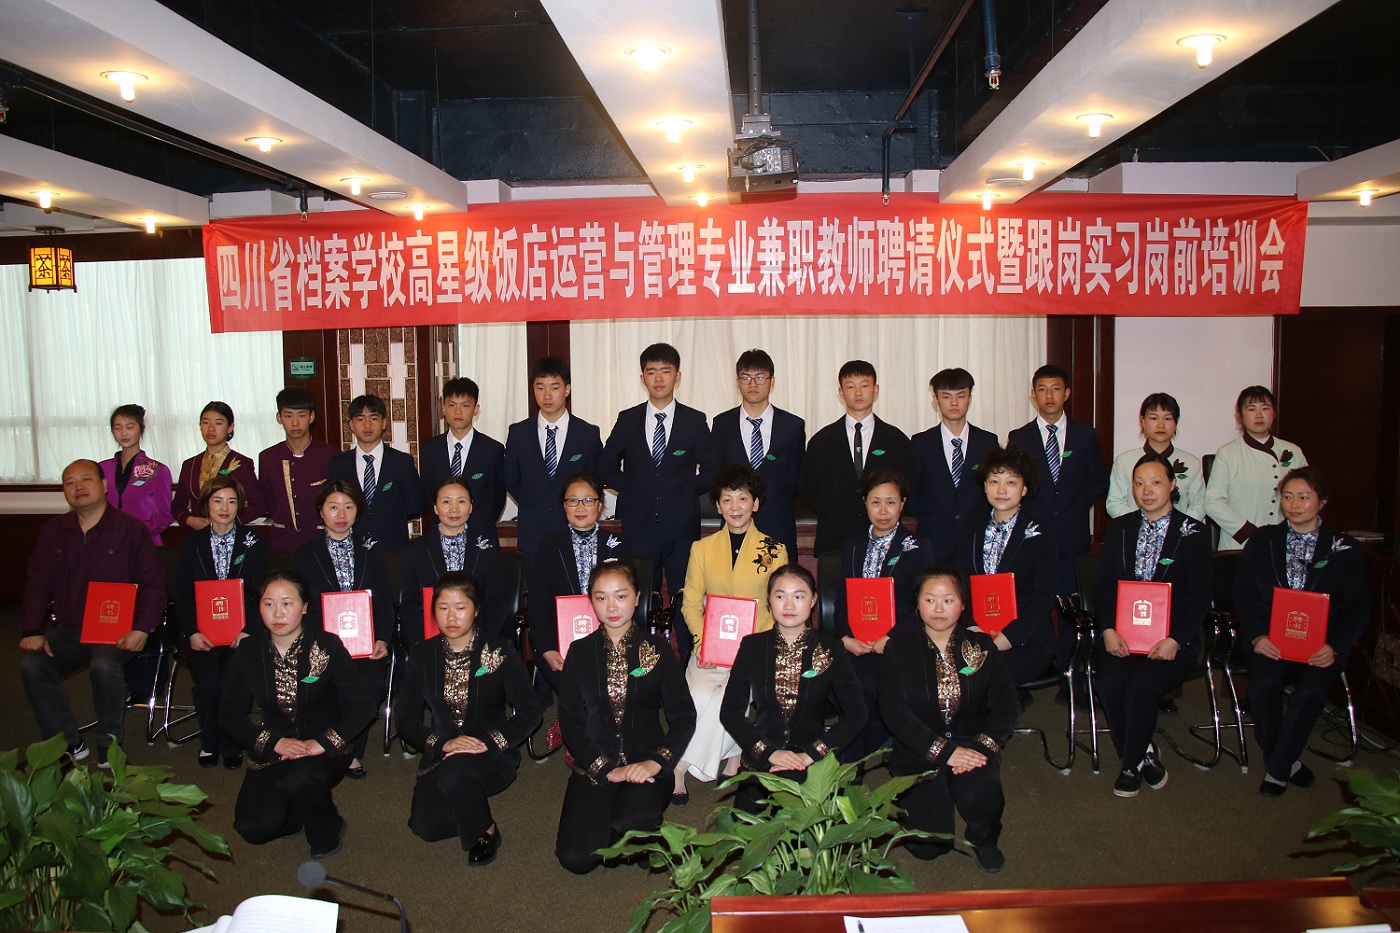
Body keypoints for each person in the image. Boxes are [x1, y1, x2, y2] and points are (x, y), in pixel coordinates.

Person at [219, 569, 374, 859]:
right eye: (268, 604)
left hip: (323, 746)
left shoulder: (327, 645)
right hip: (275, 746)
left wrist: (324, 743)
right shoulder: (249, 651)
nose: (277, 613)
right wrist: (274, 743)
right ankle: (301, 807)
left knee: (301, 779)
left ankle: (328, 827)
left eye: (287, 603)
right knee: (253, 828)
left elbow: (364, 705)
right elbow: (228, 715)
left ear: (304, 607)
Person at [20, 460, 166, 765]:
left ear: (104, 485)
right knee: (33, 665)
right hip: (71, 629)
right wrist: (32, 629)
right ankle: (66, 743)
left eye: (86, 479)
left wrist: (142, 628)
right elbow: (36, 583)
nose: (79, 487)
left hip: (118, 628)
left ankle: (108, 747)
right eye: (70, 482)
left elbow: (153, 584)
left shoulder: (130, 529)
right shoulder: (53, 532)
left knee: (103, 666)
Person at [555, 560, 696, 875]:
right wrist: (606, 770)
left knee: (630, 820)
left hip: (645, 762)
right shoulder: (579, 653)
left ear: (637, 598)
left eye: (621, 596)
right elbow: (571, 724)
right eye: (601, 598)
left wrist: (656, 762)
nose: (611, 607)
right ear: (591, 601)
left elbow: (684, 717)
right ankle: (626, 831)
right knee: (575, 859)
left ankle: (637, 826)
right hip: (595, 765)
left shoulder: (657, 650)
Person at [1235, 467, 1368, 796]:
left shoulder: (1345, 548)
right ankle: (1286, 761)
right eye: (1288, 497)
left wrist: (1335, 647)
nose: (1294, 505)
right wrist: (1257, 637)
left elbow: (1357, 608)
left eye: (1304, 497)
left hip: (1320, 646)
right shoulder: (1264, 540)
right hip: (1270, 640)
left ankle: (1277, 767)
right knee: (1263, 686)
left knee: (1310, 693)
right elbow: (1243, 595)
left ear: (1322, 502)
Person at [394, 571, 542, 865]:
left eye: (460, 607)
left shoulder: (499, 651)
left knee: (455, 774)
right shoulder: (423, 655)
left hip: (491, 754)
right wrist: (442, 744)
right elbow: (405, 718)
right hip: (442, 753)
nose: (451, 616)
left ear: (476, 610)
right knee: (425, 827)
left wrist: (489, 742)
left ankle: (486, 830)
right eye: (443, 607)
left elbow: (531, 710)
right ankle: (467, 804)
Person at [878, 566, 1018, 873]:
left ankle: (983, 838)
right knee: (928, 847)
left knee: (982, 793)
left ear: (963, 604)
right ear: (917, 604)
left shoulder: (982, 646)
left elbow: (1007, 705)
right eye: (930, 600)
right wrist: (944, 752)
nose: (938, 609)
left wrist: (982, 748)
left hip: (971, 745)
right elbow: (893, 712)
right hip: (918, 750)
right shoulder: (897, 649)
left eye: (948, 600)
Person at [1092, 452, 1212, 798]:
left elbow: (1200, 596)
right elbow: (1105, 586)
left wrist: (1176, 639)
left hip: (1172, 640)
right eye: (1139, 483)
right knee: (1110, 681)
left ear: (1172, 485)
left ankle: (1130, 765)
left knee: (1141, 686)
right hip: (1124, 635)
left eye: (1156, 482)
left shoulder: (1193, 533)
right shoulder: (1120, 528)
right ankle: (1144, 753)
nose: (1147, 491)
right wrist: (1108, 629)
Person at [674, 465, 788, 802]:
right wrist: (702, 642)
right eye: (727, 499)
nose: (735, 506)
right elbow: (690, 603)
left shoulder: (774, 549)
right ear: (718, 506)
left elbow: (779, 607)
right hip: (710, 647)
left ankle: (681, 764)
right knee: (697, 695)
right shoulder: (702, 548)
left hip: (754, 651)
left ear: (756, 504)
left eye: (743, 498)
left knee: (728, 698)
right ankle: (735, 749)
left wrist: (755, 648)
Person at [598, 342, 719, 644]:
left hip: (681, 528)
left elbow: (713, 470)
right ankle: (639, 660)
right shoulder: (628, 419)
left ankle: (687, 661)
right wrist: (634, 489)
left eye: (666, 371)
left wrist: (684, 490)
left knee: (685, 598)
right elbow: (605, 467)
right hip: (638, 527)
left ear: (678, 376)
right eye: (652, 372)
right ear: (643, 378)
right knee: (638, 600)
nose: (659, 378)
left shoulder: (694, 420)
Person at [719, 564, 865, 813]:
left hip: (809, 758)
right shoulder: (752, 646)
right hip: (763, 755)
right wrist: (769, 753)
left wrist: (811, 754)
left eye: (798, 596)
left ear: (813, 600)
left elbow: (857, 714)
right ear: (769, 600)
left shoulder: (830, 649)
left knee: (800, 825)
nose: (789, 605)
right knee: (746, 826)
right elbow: (730, 712)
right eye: (780, 596)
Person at [1006, 364, 1108, 666]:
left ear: (1067, 393)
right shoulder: (1019, 437)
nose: (1049, 395)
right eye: (1042, 389)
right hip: (1032, 539)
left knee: (1070, 609)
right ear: (1033, 395)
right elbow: (1013, 486)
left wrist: (1072, 507)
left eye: (1056, 389)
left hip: (1071, 538)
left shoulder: (1085, 436)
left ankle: (1069, 673)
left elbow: (1098, 482)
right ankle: (1034, 668)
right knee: (1030, 607)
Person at [293, 480, 394, 780]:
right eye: (333, 507)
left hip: (365, 643)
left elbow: (384, 599)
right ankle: (334, 745)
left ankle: (347, 749)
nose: (341, 514)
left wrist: (382, 638)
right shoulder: (304, 553)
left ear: (357, 512)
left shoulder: (371, 549)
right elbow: (299, 603)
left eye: (348, 507)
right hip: (321, 642)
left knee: (370, 686)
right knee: (325, 686)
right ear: (321, 512)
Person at [834, 468, 934, 765]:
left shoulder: (918, 548)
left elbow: (924, 607)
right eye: (875, 502)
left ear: (902, 503)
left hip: (899, 643)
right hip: (858, 644)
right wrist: (844, 638)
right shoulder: (852, 547)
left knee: (867, 690)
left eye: (891, 502)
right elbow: (842, 600)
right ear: (864, 502)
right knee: (851, 686)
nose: (883, 511)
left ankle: (848, 764)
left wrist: (890, 638)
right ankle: (865, 753)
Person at [171, 475, 269, 769]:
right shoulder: (192, 544)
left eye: (231, 501)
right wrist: (192, 632)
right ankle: (210, 741)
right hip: (202, 633)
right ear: (206, 506)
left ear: (240, 506)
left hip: (243, 633)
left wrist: (249, 630)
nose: (224, 508)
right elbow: (181, 594)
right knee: (210, 686)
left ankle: (232, 742)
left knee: (232, 684)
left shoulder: (255, 543)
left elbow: (263, 594)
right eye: (217, 501)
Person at [952, 445, 1059, 690]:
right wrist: (972, 627)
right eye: (994, 481)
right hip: (976, 631)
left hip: (1025, 636)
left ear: (1025, 489)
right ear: (985, 486)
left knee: (987, 676)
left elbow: (1043, 596)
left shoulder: (1041, 533)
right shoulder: (971, 528)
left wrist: (1010, 636)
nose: (1001, 490)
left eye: (1011, 482)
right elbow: (959, 585)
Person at [526, 472, 629, 695]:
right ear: (564, 506)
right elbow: (538, 605)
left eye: (588, 500)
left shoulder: (619, 546)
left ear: (600, 505)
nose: (580, 507)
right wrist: (547, 649)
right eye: (573, 501)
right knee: (577, 692)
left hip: (612, 637)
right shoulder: (549, 548)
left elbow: (629, 602)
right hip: (561, 644)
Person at [799, 360, 912, 558]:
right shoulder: (822, 441)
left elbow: (909, 485)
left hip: (886, 542)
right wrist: (834, 507)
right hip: (835, 540)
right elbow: (807, 487)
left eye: (864, 385)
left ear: (875, 390)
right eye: (851, 386)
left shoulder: (896, 440)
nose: (858, 392)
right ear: (841, 393)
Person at [504, 357, 603, 570]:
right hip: (534, 533)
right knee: (537, 590)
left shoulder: (587, 434)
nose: (547, 395)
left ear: (567, 389)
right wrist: (536, 501)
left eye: (554, 387)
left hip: (575, 531)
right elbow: (511, 479)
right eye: (540, 387)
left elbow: (595, 480)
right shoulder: (518, 433)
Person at [709, 349, 806, 559]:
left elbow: (794, 480)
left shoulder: (792, 426)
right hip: (733, 527)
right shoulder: (722, 425)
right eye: (746, 378)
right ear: (738, 382)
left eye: (760, 377)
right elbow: (717, 476)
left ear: (772, 381)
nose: (753, 384)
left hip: (777, 526)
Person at [398, 477, 508, 650]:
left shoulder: (487, 548)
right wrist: (420, 646)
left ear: (471, 507)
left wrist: (483, 642)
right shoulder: (417, 549)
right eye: (446, 502)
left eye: (461, 501)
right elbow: (409, 604)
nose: (454, 509)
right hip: (430, 640)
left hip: (478, 640)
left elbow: (496, 601)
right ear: (435, 508)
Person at [909, 368, 999, 561]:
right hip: (933, 540)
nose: (954, 402)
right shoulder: (920, 443)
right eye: (946, 396)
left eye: (961, 395)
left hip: (977, 540)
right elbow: (911, 492)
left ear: (970, 398)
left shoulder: (987, 442)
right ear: (936, 399)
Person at [1206, 386, 1309, 551]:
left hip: (1284, 540)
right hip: (1240, 544)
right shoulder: (1228, 453)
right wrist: (1249, 531)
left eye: (1265, 408)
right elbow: (1212, 502)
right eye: (1252, 409)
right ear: (1240, 416)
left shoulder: (1293, 451)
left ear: (1274, 413)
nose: (1259, 415)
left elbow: (1308, 495)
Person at [326, 394, 428, 550]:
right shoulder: (338, 464)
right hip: (352, 547)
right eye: (360, 419)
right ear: (351, 425)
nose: (367, 425)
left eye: (374, 418)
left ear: (384, 423)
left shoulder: (401, 462)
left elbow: (417, 505)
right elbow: (331, 504)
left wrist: (390, 516)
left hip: (392, 547)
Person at [420, 377, 507, 550]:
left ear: (476, 409)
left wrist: (481, 522)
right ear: (443, 408)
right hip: (440, 536)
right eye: (452, 405)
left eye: (465, 405)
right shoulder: (429, 450)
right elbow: (429, 493)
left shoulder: (492, 450)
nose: (458, 411)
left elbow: (497, 497)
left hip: (481, 537)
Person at [258, 387, 337, 555]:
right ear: (279, 418)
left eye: (301, 415)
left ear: (311, 416)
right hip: (282, 544)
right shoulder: (268, 457)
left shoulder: (331, 456)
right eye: (288, 416)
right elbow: (268, 501)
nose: (295, 423)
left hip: (322, 544)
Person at [1106, 392, 1205, 521]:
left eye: (1167, 418)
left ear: (1176, 422)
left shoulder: (1191, 463)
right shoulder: (1124, 461)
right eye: (1154, 418)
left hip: (1179, 531)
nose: (1161, 425)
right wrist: (1142, 523)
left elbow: (1199, 504)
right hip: (1136, 529)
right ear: (1143, 421)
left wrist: (1177, 526)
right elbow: (1114, 502)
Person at [173, 401, 265, 529]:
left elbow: (258, 505)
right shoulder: (190, 464)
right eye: (205, 422)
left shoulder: (241, 463)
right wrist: (189, 520)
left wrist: (227, 523)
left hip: (229, 535)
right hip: (196, 535)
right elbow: (177, 506)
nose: (211, 428)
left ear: (230, 427)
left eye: (218, 423)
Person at [100, 404, 174, 546]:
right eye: (118, 428)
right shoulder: (102, 469)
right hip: (108, 542)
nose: (124, 433)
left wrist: (133, 531)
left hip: (145, 542)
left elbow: (165, 516)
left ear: (141, 429)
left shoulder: (158, 470)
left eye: (129, 427)